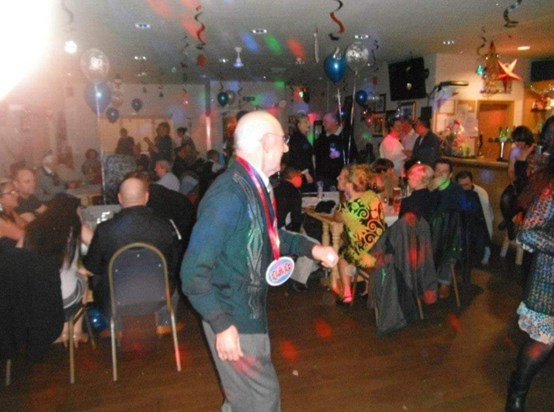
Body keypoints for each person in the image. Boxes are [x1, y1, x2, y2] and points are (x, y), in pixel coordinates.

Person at [180, 111, 337, 412]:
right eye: (283, 141)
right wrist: (222, 325)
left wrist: (311, 249)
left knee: (242, 400)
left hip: (243, 311)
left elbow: (266, 233)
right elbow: (192, 273)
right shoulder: (229, 193)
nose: (287, 148)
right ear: (266, 143)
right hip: (234, 316)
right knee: (263, 399)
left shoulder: (253, 184)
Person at [84, 177, 182, 335]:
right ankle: (164, 322)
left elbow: (92, 266)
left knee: (98, 278)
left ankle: (115, 326)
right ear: (146, 197)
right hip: (158, 297)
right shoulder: (165, 226)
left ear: (120, 198)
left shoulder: (104, 229)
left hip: (116, 299)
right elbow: (173, 264)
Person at [504, 153, 554, 411]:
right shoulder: (551, 188)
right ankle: (517, 393)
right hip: (550, 277)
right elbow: (529, 232)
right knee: (542, 343)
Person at [23, 193, 90, 346]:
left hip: (36, 297)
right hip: (66, 297)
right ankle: (75, 332)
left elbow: (18, 255)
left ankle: (62, 333)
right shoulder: (74, 225)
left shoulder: (32, 228)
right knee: (82, 277)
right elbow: (97, 244)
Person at [334, 164, 385, 305]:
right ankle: (369, 289)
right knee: (363, 244)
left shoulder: (346, 208)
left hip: (368, 258)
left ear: (350, 184)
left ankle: (347, 294)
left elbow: (336, 217)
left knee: (344, 255)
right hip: (383, 251)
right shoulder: (373, 196)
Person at [429, 158, 466, 297]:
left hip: (450, 228)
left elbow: (452, 208)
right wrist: (430, 190)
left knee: (448, 248)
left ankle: (444, 282)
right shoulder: (429, 186)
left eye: (444, 172)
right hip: (431, 228)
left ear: (450, 174)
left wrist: (439, 189)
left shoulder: (455, 189)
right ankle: (427, 282)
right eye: (437, 171)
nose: (440, 174)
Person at [499, 126, 536, 240]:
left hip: (531, 185)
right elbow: (510, 170)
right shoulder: (514, 151)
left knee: (522, 202)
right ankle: (510, 224)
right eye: (515, 140)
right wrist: (512, 179)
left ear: (526, 139)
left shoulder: (535, 150)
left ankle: (508, 220)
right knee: (505, 198)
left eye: (519, 141)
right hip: (518, 182)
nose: (516, 143)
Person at [455, 170, 494, 265]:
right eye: (461, 186)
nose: (464, 188)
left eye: (466, 184)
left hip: (477, 221)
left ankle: (486, 250)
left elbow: (487, 216)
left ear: (472, 182)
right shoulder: (456, 192)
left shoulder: (480, 193)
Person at [314, 112, 357, 190]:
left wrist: (339, 154)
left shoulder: (346, 137)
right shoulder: (322, 138)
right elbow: (317, 156)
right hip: (324, 178)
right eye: (323, 121)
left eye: (325, 121)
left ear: (335, 122)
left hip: (341, 177)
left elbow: (353, 155)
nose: (323, 124)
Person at [282, 112, 315, 192]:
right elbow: (297, 157)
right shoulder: (297, 138)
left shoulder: (301, 137)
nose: (308, 124)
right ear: (298, 124)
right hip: (300, 174)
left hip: (302, 173)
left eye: (308, 121)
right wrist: (306, 173)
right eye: (305, 122)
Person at [0, 178, 26, 253]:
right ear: (0, 199)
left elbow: (27, 226)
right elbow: (24, 235)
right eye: (12, 192)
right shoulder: (1, 220)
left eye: (16, 191)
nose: (17, 194)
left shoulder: (10, 211)